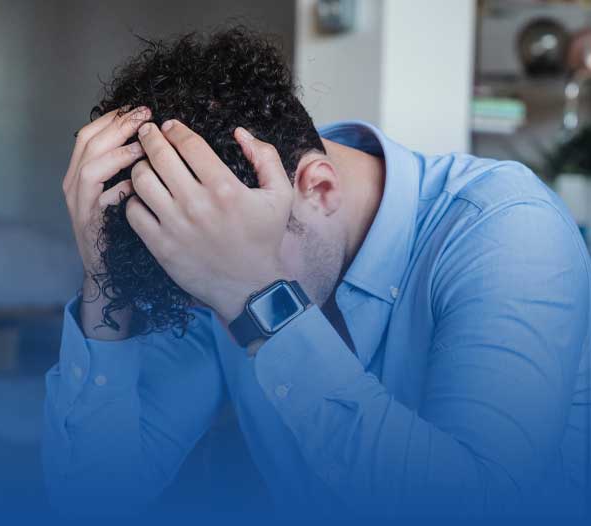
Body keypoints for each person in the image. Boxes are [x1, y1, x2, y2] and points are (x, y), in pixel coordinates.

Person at [43, 27, 590, 519]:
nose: (215, 302)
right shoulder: (206, 240)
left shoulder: (506, 229)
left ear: (320, 189)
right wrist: (104, 288)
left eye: (218, 274)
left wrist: (258, 299)